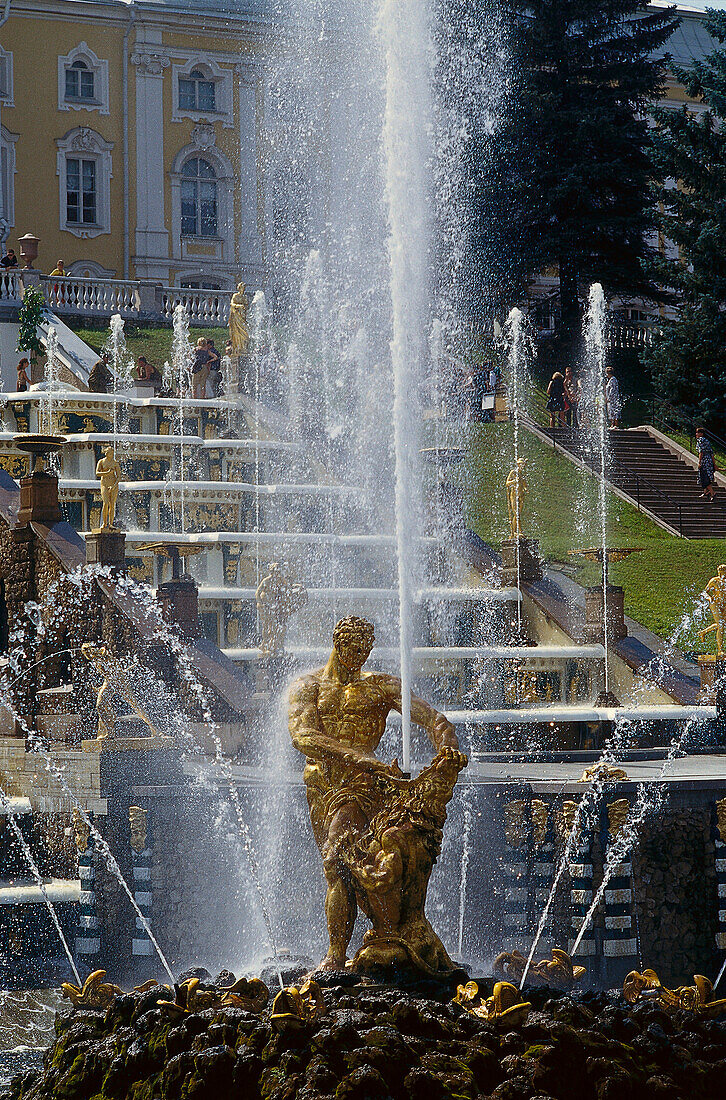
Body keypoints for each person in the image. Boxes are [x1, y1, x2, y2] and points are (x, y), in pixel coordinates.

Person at [287, 615, 461, 972]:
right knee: (341, 867)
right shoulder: (308, 686)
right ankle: (381, 936)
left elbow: (434, 719)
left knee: (338, 860)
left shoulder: (379, 687)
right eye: (353, 649)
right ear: (337, 643)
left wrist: (447, 748)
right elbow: (302, 737)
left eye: (365, 651)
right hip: (321, 786)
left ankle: (336, 955)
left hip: (363, 786)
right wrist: (358, 757)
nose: (359, 657)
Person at [696, 427, 717, 502]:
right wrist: (714, 464)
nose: (696, 434)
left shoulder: (701, 440)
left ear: (701, 433)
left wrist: (699, 462)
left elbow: (701, 452)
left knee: (704, 477)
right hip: (709, 461)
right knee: (706, 476)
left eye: (698, 432)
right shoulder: (707, 441)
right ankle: (705, 492)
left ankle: (712, 493)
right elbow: (711, 453)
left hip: (704, 461)